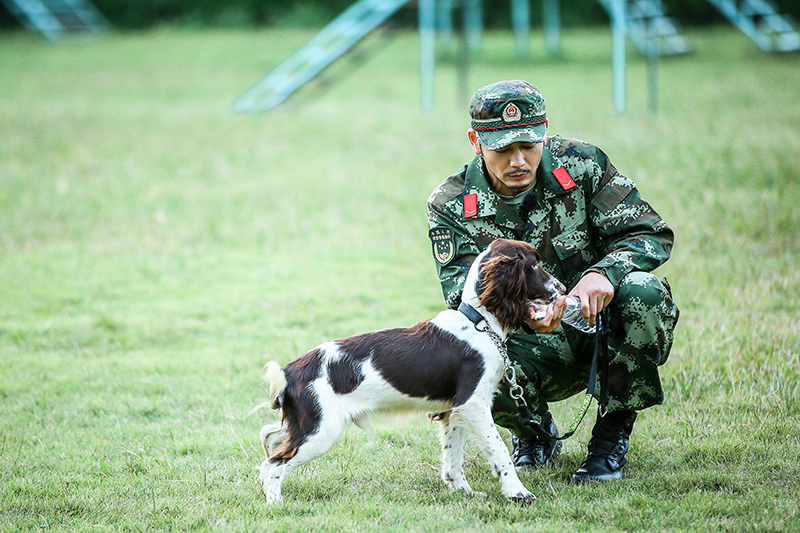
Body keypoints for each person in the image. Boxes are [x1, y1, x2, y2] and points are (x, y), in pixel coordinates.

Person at [426, 80, 679, 483]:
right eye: (503, 149)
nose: (518, 160)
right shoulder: (452, 204)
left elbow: (651, 233)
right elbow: (463, 295)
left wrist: (603, 272)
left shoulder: (582, 164)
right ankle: (535, 434)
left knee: (644, 294)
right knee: (465, 346)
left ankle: (610, 439)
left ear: (545, 130)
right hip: (528, 343)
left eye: (528, 144)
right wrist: (527, 315)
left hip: (598, 331)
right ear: (476, 141)